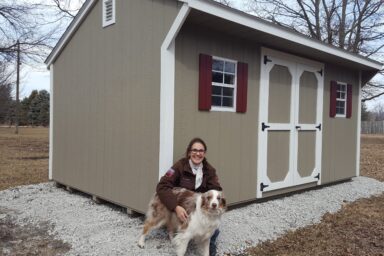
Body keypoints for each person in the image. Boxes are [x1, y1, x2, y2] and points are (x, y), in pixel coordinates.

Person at [156, 137, 223, 256]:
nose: (198, 153)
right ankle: (176, 234)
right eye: (194, 150)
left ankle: (206, 248)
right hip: (181, 206)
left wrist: (211, 203)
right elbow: (162, 186)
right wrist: (175, 207)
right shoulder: (179, 166)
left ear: (204, 153)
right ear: (189, 152)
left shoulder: (210, 170)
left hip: (199, 208)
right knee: (186, 232)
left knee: (214, 230)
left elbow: (217, 190)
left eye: (201, 151)